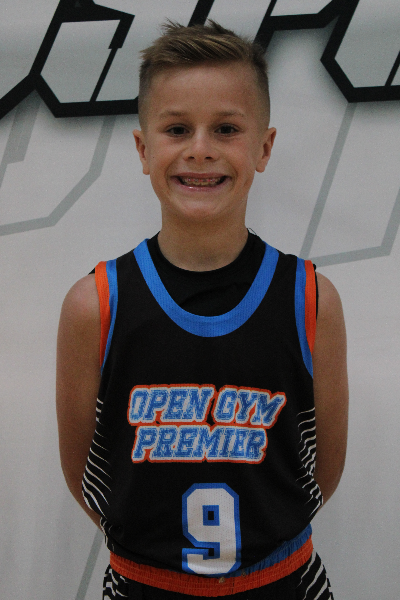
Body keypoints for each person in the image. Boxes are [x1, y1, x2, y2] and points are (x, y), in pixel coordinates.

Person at [56, 20, 348, 600]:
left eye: (226, 129)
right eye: (176, 129)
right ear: (143, 150)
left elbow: (322, 471)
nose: (200, 149)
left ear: (263, 148)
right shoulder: (94, 305)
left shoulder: (311, 299)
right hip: (142, 585)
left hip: (285, 583)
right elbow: (86, 476)